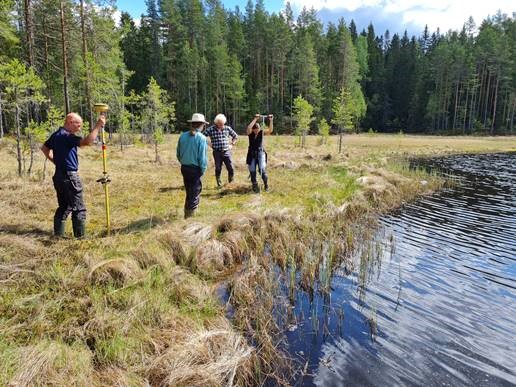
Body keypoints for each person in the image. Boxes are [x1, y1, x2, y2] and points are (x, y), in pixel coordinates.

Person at [41, 112, 105, 238]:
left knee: (64, 206)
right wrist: (98, 126)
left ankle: (58, 236)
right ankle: (80, 238)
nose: (79, 128)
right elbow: (87, 142)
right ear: (70, 122)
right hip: (70, 177)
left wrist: (56, 162)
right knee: (78, 207)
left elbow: (44, 148)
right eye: (78, 125)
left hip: (58, 175)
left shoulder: (56, 135)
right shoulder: (66, 136)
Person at [176, 113, 209, 218]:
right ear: (202, 125)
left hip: (184, 168)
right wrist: (203, 170)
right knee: (195, 192)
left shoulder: (182, 136)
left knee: (189, 190)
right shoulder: (201, 138)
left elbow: (178, 154)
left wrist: (184, 162)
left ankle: (187, 212)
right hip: (195, 169)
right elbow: (202, 158)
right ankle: (190, 218)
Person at [202, 113, 238, 187]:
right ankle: (219, 182)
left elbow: (235, 136)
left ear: (224, 122)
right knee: (218, 168)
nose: (220, 125)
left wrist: (232, 144)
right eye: (219, 123)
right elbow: (202, 136)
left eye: (222, 123)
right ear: (216, 122)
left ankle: (231, 182)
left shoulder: (227, 128)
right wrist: (208, 143)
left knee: (230, 168)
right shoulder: (211, 129)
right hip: (217, 152)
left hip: (226, 151)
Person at [246, 114, 273, 192]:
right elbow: (248, 127)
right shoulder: (250, 134)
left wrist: (271, 120)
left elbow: (270, 130)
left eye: (257, 129)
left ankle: (266, 185)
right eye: (254, 129)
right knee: (252, 170)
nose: (256, 130)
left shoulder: (261, 133)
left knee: (262, 170)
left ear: (259, 128)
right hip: (251, 154)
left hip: (260, 153)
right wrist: (255, 119)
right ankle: (255, 186)